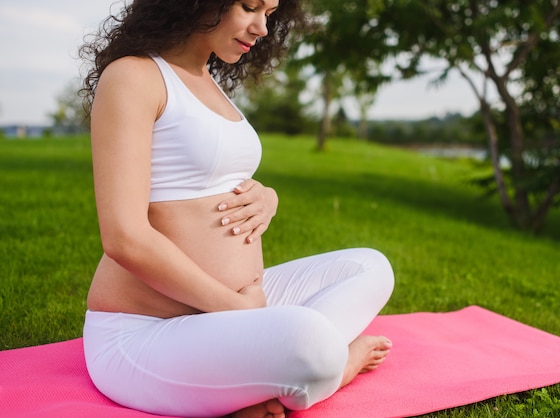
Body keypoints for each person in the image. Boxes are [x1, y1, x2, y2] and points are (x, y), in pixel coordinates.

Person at [79, 0, 394, 417]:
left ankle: (273, 373)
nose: (262, 27)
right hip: (147, 334)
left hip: (237, 308)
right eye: (250, 7)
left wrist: (268, 197)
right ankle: (334, 366)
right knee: (310, 342)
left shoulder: (207, 78)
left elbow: (212, 177)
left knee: (371, 268)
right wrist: (236, 308)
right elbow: (125, 237)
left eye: (269, 12)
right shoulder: (133, 76)